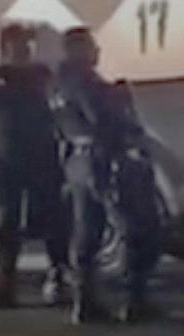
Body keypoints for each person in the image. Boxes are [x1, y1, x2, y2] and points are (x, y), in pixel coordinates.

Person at [52, 27, 163, 324]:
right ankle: (135, 301)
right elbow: (102, 119)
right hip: (104, 161)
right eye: (91, 46)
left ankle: (85, 302)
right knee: (137, 230)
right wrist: (119, 100)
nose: (97, 51)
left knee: (87, 234)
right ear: (78, 50)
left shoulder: (58, 85)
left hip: (79, 162)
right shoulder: (85, 82)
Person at [0, 24, 71, 309]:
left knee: (53, 220)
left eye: (27, 46)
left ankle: (58, 277)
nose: (23, 51)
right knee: (5, 224)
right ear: (5, 49)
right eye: (18, 46)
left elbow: (62, 113)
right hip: (5, 161)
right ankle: (6, 285)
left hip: (44, 158)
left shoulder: (43, 76)